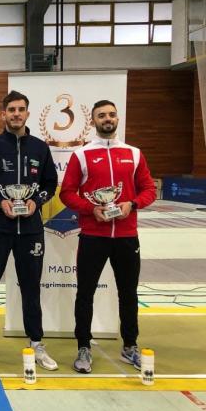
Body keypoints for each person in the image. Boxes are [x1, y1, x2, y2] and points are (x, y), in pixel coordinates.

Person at [0, 90, 58, 372]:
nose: (16, 114)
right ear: (3, 114)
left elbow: (50, 184)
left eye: (21, 109)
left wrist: (36, 201)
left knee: (31, 289)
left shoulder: (40, 148)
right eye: (11, 110)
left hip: (30, 231)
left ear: (28, 114)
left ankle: (37, 344)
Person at [60, 99, 156, 374]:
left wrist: (132, 204)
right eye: (102, 115)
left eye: (112, 115)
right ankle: (83, 347)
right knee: (85, 294)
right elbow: (67, 193)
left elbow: (149, 189)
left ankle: (130, 346)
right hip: (93, 235)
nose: (107, 119)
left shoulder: (134, 154)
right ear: (93, 121)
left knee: (128, 293)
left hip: (127, 236)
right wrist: (92, 209)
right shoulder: (82, 155)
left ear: (117, 119)